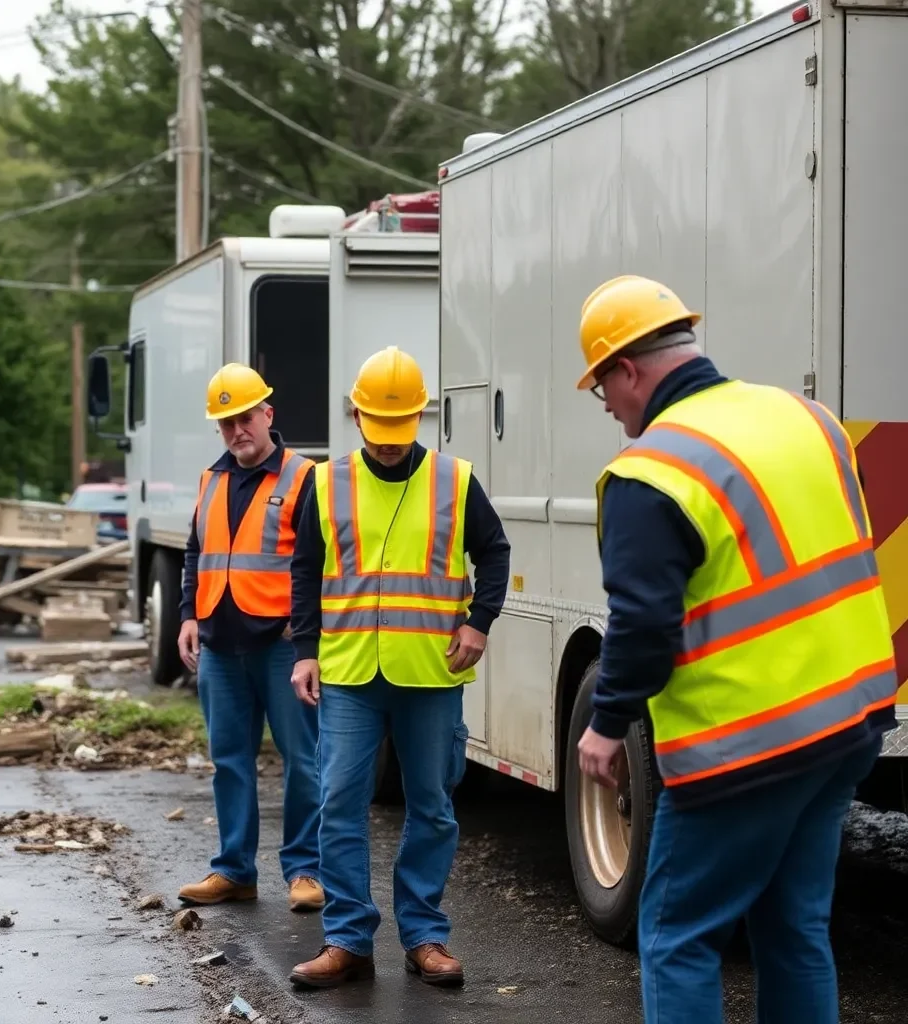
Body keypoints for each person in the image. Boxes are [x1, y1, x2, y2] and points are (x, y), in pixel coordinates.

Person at [574, 275, 897, 1024]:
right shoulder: (807, 418)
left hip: (745, 748)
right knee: (795, 928)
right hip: (848, 723)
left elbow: (645, 626)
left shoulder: (650, 473)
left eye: (604, 390)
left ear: (629, 369)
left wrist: (604, 724)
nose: (612, 410)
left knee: (677, 936)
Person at [286, 346, 511, 990]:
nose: (388, 445)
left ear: (422, 416)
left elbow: (493, 553)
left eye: (400, 431)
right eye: (377, 431)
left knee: (433, 806)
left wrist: (479, 620)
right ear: (356, 417)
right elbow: (305, 569)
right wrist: (305, 649)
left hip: (430, 673)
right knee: (339, 804)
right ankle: (348, 940)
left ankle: (425, 935)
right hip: (352, 673)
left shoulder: (455, 480)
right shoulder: (326, 484)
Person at [176, 363, 324, 914]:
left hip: (281, 647)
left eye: (244, 418)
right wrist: (189, 614)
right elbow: (197, 551)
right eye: (225, 423)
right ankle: (234, 870)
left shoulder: (303, 477)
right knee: (230, 760)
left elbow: (321, 560)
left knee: (303, 760)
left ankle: (305, 870)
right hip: (219, 643)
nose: (237, 431)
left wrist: (306, 627)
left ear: (268, 414)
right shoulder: (210, 479)